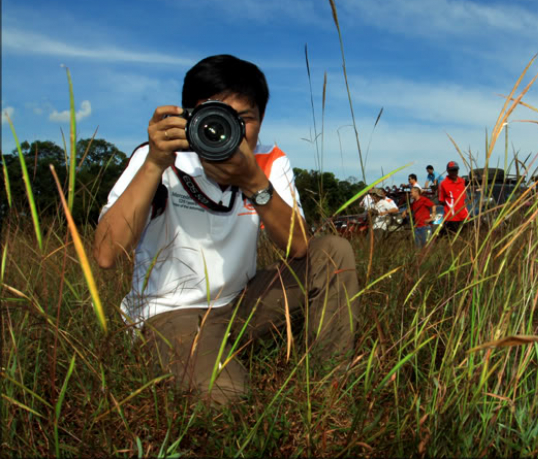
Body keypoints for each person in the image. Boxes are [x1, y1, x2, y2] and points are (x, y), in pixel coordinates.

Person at [94, 54, 360, 404]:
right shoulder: (161, 157)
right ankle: (208, 365)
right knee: (226, 401)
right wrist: (155, 164)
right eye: (214, 115)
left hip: (242, 303)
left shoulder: (268, 159)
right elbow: (106, 254)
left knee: (333, 252)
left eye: (243, 119)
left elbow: (298, 247)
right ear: (188, 116)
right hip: (171, 312)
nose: (225, 128)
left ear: (261, 121)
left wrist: (253, 181)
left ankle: (330, 385)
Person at [438, 161, 469, 233]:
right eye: (452, 170)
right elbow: (441, 200)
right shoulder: (443, 184)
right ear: (448, 171)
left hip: (464, 217)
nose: (454, 172)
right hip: (451, 218)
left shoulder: (462, 181)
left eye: (455, 170)